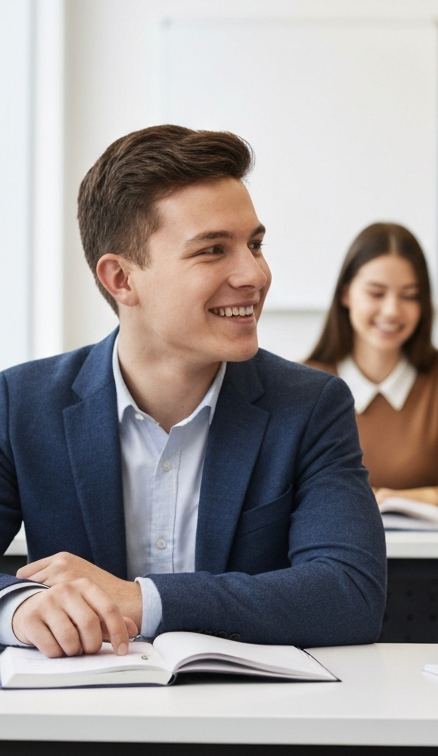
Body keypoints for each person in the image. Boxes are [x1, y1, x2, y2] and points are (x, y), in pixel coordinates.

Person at [0, 125, 386, 658]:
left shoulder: (311, 405)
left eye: (255, 244)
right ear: (121, 279)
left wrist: (141, 601)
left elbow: (349, 593)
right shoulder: (22, 403)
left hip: (251, 724)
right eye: (212, 250)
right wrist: (16, 607)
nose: (254, 274)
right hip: (81, 722)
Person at [305, 223, 438, 516]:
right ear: (346, 294)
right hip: (330, 558)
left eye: (409, 295)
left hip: (426, 557)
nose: (393, 310)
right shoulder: (304, 382)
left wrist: (406, 500)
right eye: (377, 293)